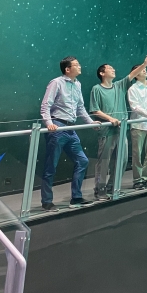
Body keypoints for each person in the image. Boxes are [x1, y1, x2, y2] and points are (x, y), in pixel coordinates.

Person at [90, 53, 147, 200]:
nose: (113, 69)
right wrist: (110, 119)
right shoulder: (96, 89)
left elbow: (132, 75)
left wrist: (144, 64)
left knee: (122, 160)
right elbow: (95, 110)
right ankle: (100, 190)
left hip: (121, 130)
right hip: (107, 131)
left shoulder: (119, 86)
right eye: (109, 68)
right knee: (104, 162)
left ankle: (113, 187)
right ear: (102, 73)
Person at [39, 56, 98, 211]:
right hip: (57, 126)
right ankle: (47, 201)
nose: (80, 66)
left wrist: (90, 122)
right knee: (51, 166)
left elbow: (80, 108)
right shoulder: (56, 83)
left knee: (83, 161)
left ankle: (76, 197)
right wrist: (49, 124)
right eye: (76, 65)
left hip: (71, 128)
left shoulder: (77, 84)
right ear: (67, 69)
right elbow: (46, 105)